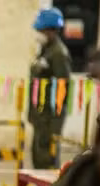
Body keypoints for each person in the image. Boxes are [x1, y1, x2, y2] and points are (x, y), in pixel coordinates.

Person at [29, 7, 71, 172]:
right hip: (40, 115)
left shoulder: (59, 54)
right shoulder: (46, 51)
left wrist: (55, 123)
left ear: (51, 31)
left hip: (50, 116)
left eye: (41, 30)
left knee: (48, 158)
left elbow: (63, 87)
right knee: (37, 156)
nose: (38, 34)